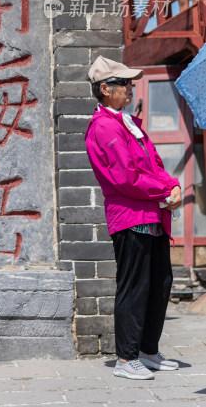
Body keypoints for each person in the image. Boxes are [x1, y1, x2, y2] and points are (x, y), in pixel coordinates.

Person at [85, 56, 182, 380]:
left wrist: (172, 186)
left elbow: (152, 164)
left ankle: (148, 350)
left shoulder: (128, 123)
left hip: (152, 212)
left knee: (160, 283)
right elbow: (126, 177)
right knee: (135, 286)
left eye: (130, 83)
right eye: (124, 83)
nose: (130, 88)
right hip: (129, 215)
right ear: (104, 88)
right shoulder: (104, 127)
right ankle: (126, 359)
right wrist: (163, 191)